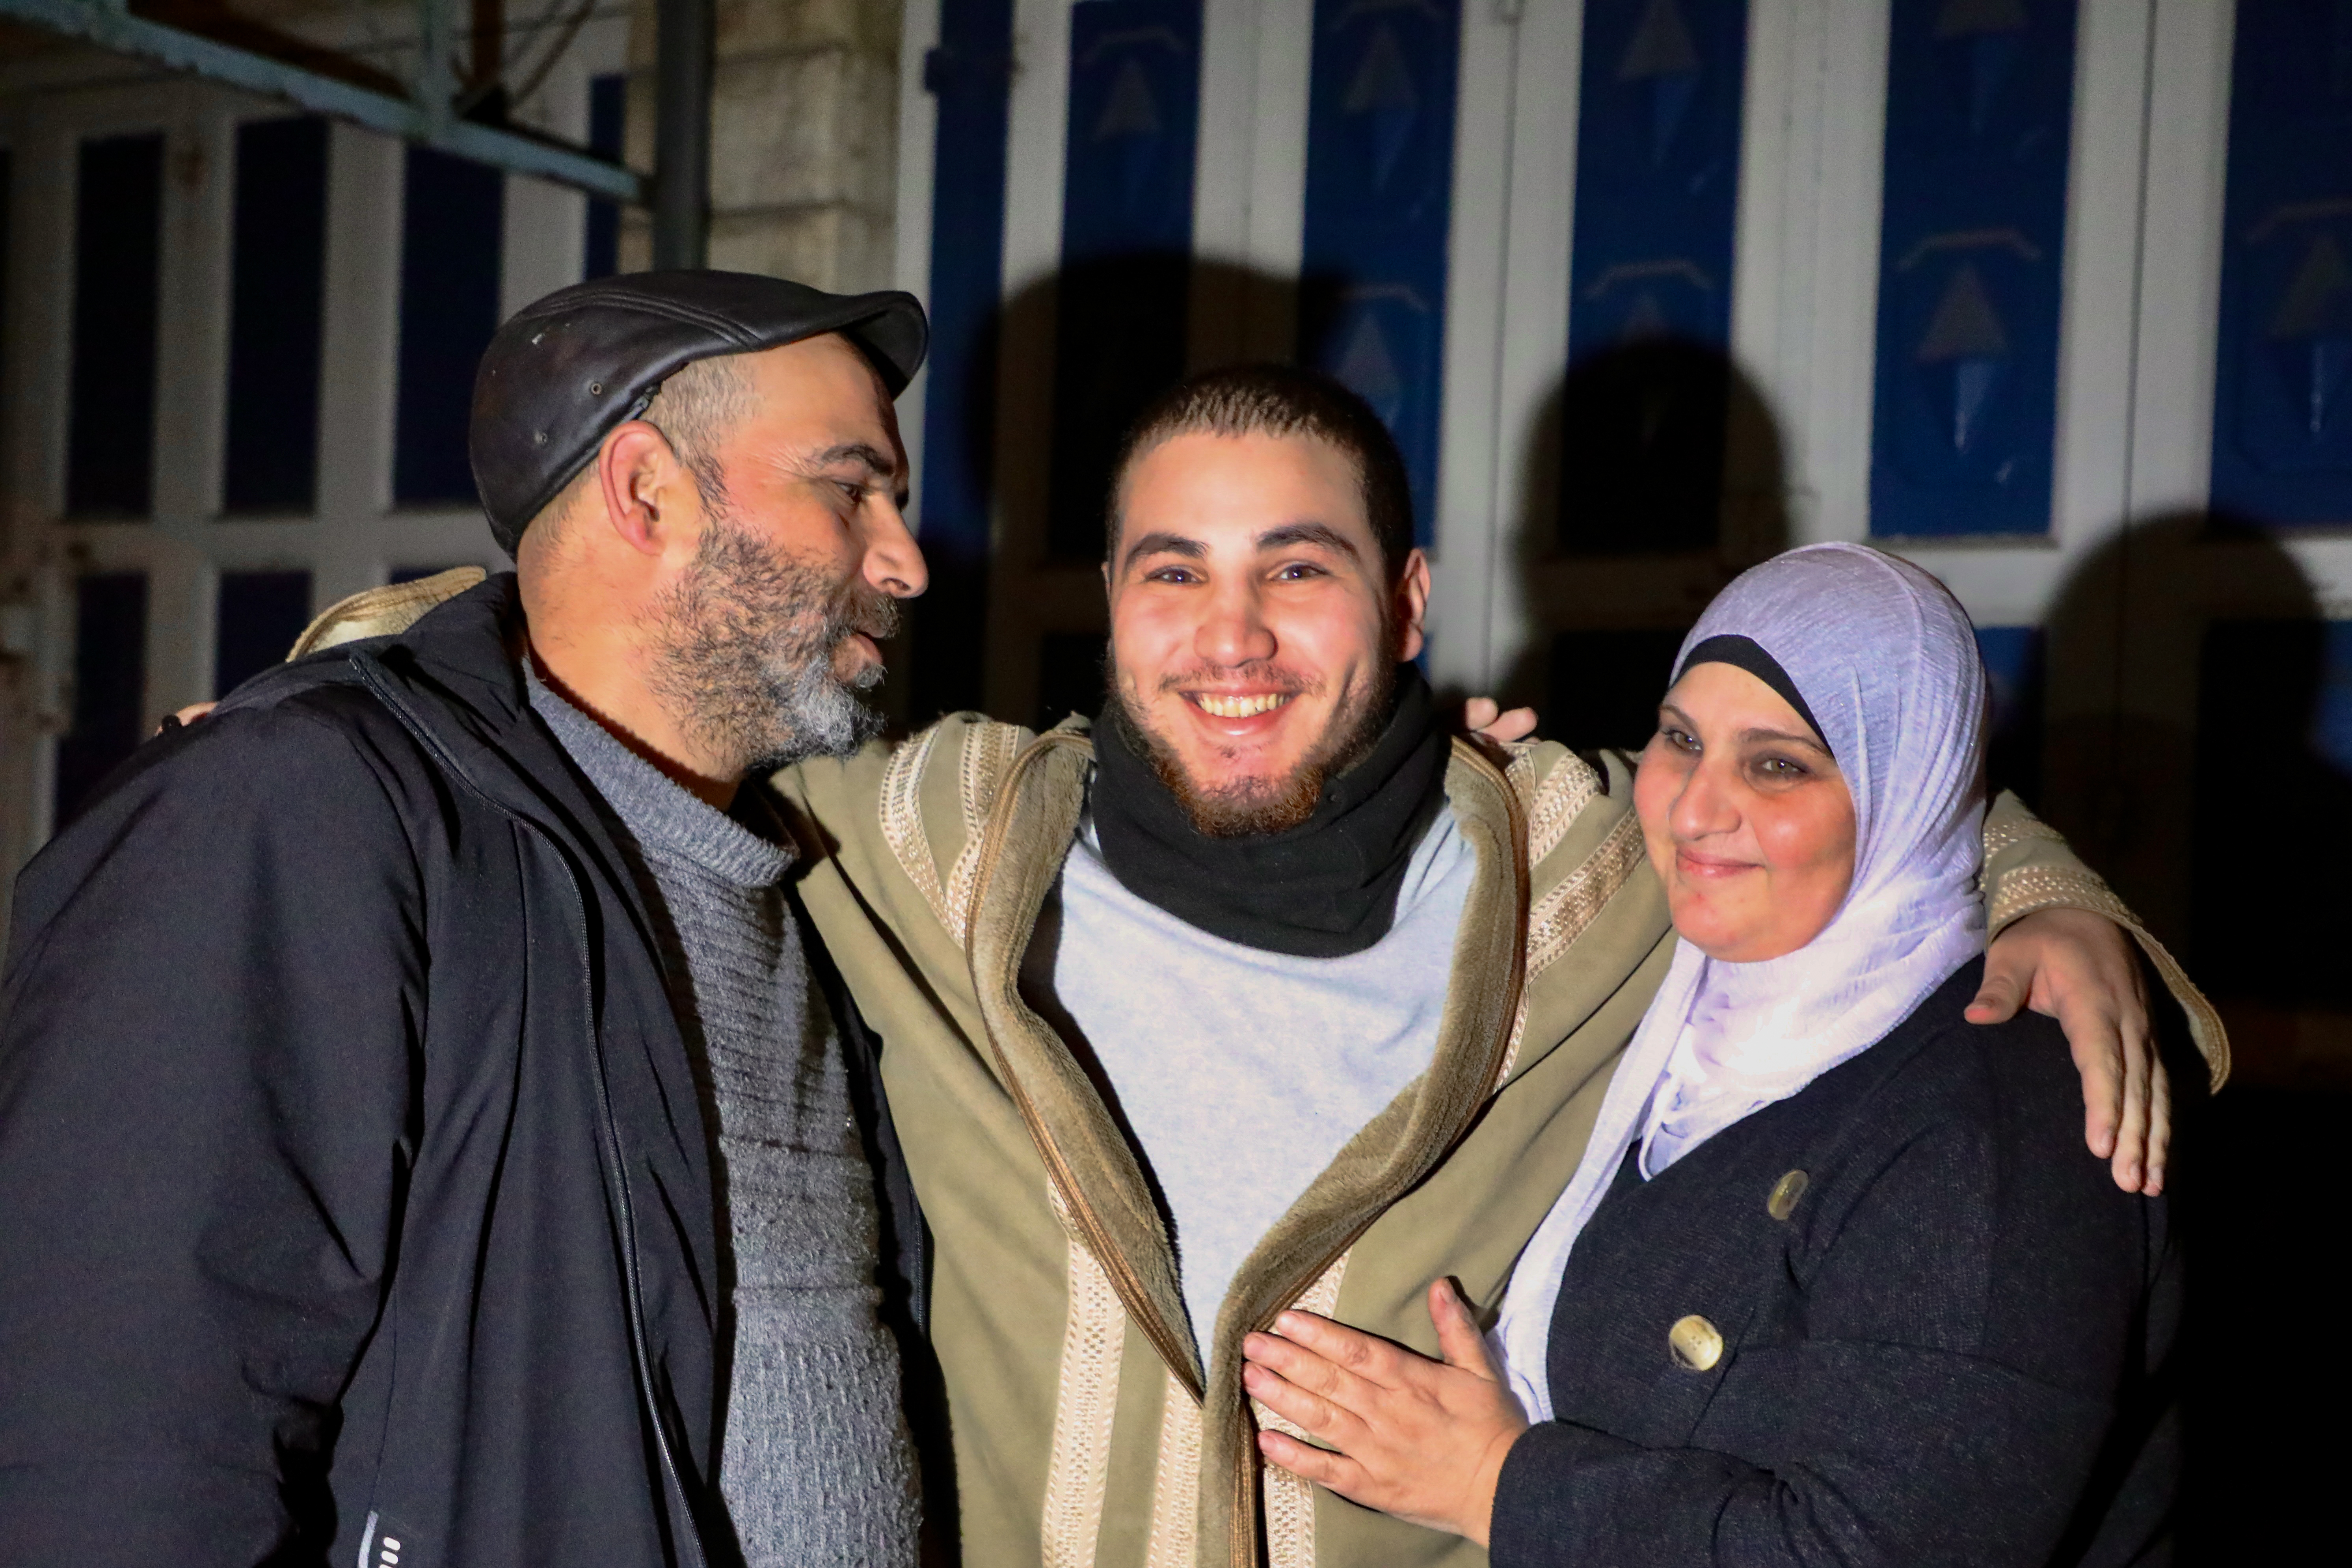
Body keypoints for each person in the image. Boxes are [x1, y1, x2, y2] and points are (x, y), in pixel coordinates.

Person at [240, 363, 2217, 1568]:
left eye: (1299, 566)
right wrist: (329, 719)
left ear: (1408, 601)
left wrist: (2052, 903)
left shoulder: (1599, 862)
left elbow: (1849, 802)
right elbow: (603, 675)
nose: (1233, 633)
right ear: (1106, 606)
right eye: (1172, 570)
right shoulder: (922, 837)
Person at [0, 272, 936, 1566]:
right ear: (647, 491)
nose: (905, 560)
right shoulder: (309, 809)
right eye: (851, 489)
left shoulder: (801, 884)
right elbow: (114, 1450)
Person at [1237, 544, 2182, 1566]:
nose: (1693, 808)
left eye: (1778, 764)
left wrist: (1495, 1485)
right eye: (1681, 737)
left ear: (1907, 785)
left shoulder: (2000, 1119)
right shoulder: (1660, 987)